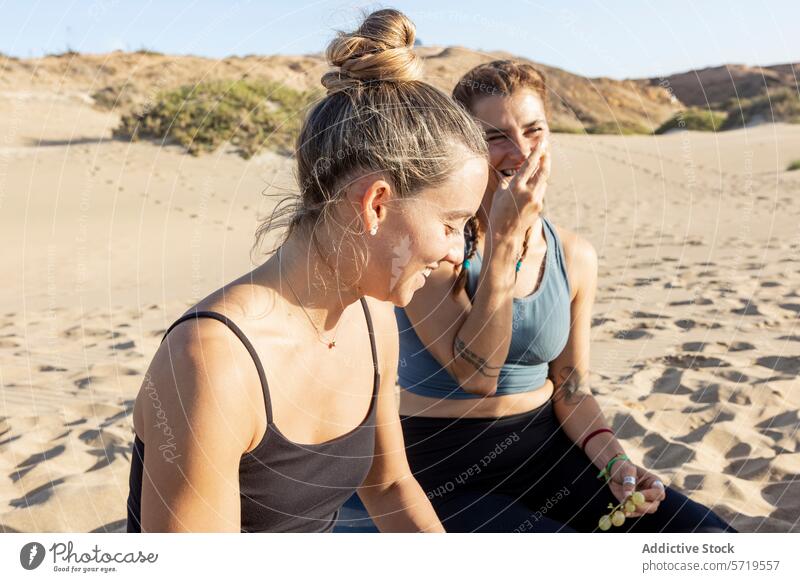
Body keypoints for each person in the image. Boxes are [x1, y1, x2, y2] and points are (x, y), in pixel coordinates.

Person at [125, 8, 490, 533]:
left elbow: (389, 486)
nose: (459, 252)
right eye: (453, 223)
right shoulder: (212, 363)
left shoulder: (373, 318)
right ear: (377, 204)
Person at [395, 60, 737, 533]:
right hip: (448, 470)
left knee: (712, 539)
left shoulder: (574, 255)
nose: (519, 150)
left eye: (533, 130)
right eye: (495, 137)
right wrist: (504, 240)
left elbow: (572, 388)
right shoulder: (436, 245)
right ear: (467, 148)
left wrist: (615, 464)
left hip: (548, 450)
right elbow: (476, 375)